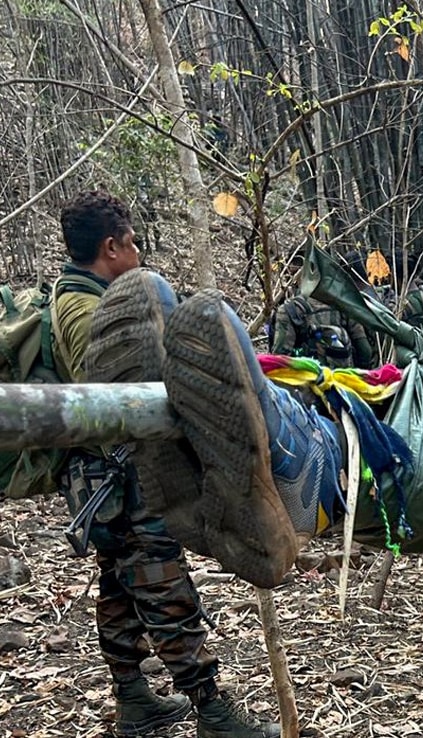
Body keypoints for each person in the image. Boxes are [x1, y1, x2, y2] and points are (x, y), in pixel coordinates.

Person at [52, 191, 281, 738]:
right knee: (161, 579)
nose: (136, 257)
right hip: (121, 475)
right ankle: (211, 710)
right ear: (111, 247)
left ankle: (134, 700)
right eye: (131, 245)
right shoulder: (90, 311)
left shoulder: (75, 299)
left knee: (121, 580)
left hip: (104, 476)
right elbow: (121, 394)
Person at [271, 292, 377, 369]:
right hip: (344, 383)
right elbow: (365, 351)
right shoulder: (345, 305)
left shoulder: (290, 309)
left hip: (307, 385)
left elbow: (280, 359)